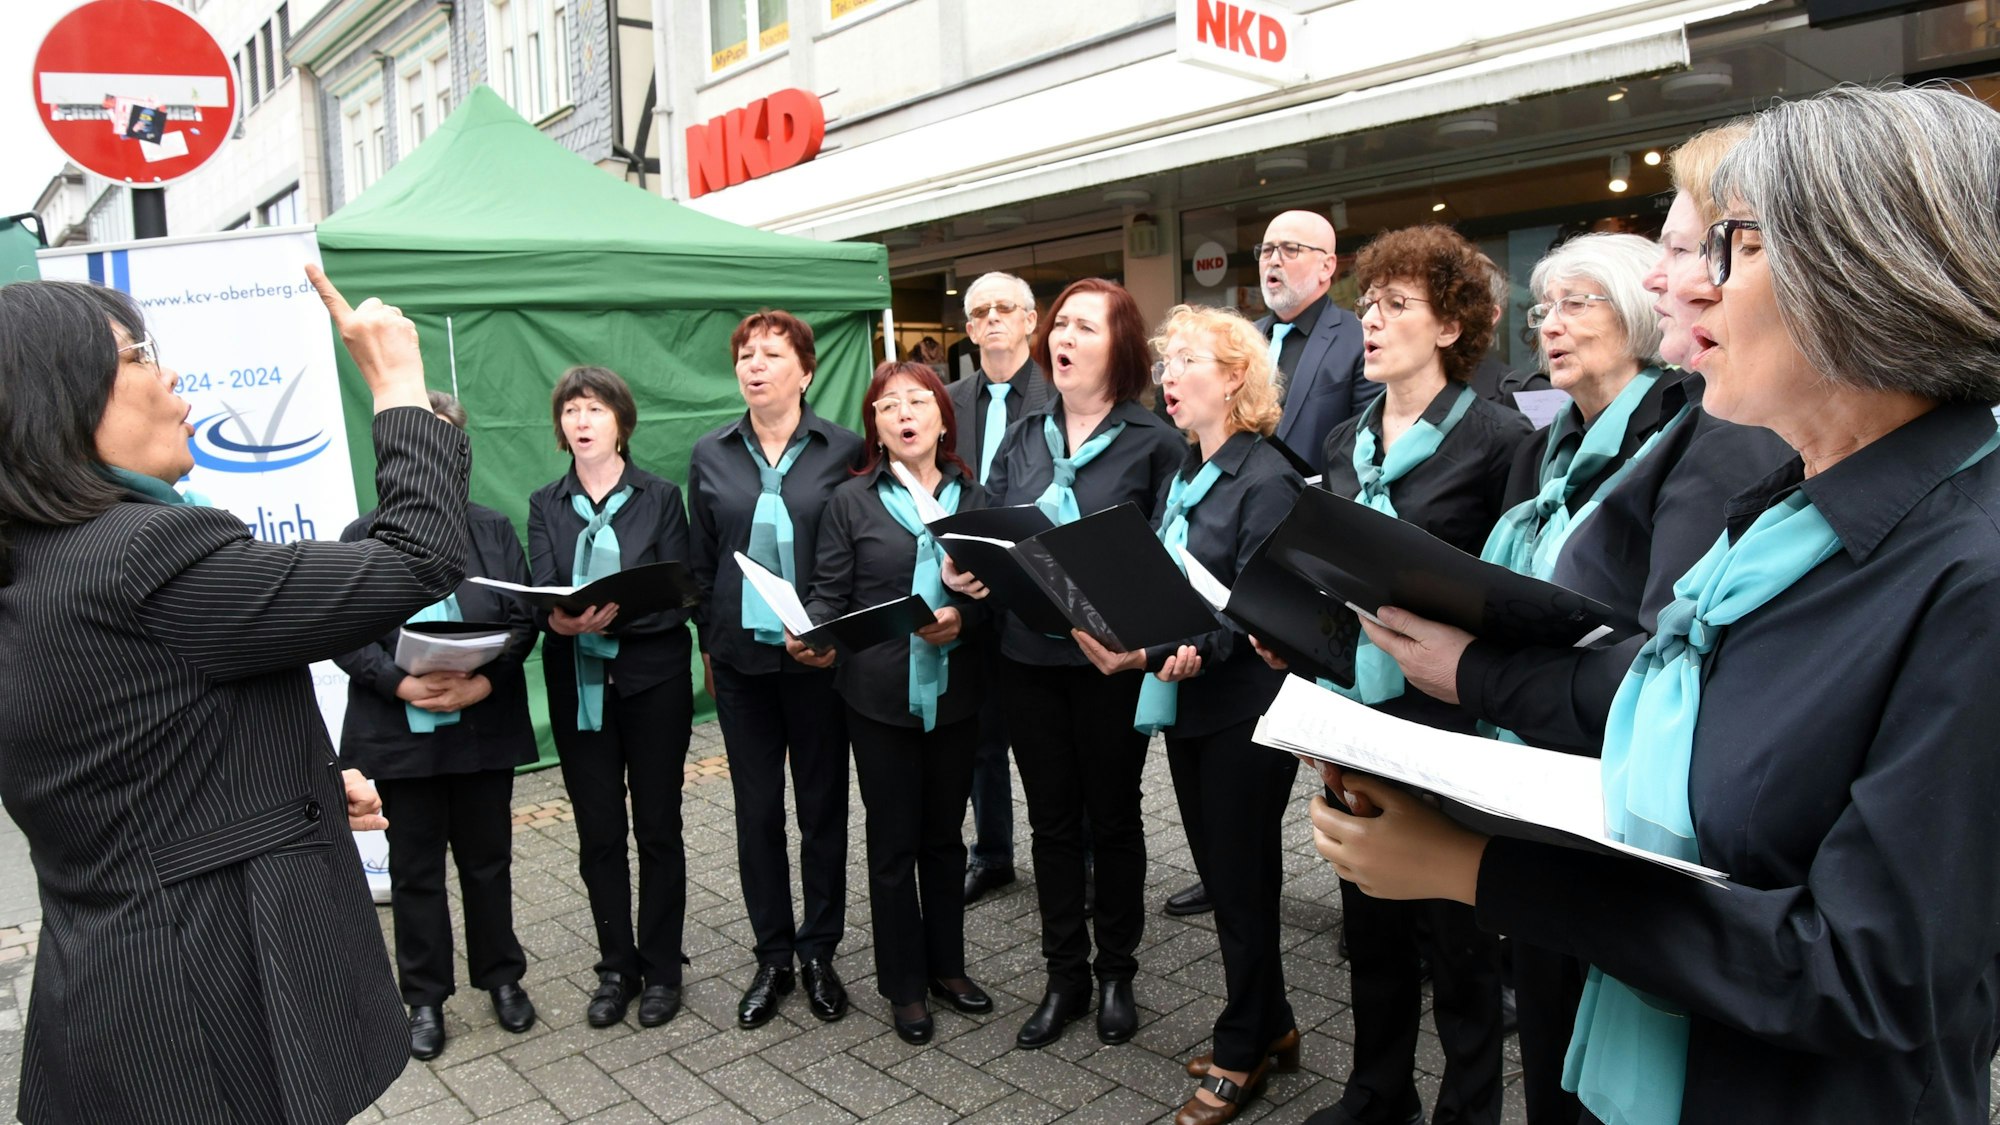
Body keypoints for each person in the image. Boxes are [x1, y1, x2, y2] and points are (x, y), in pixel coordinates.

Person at [1319, 85, 2000, 1125]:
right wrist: (1459, 718)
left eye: (1731, 247)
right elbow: (1675, 727)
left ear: (1866, 265)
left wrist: (1475, 870)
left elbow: (1860, 975)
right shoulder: (1789, 513)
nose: (1686, 293)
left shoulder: (1969, 577)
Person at [0, 267, 463, 1123]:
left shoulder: (35, 561)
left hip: (113, 992)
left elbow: (129, 759)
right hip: (204, 1001)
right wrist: (399, 388)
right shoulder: (143, 554)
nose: (169, 377)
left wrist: (307, 785)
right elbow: (415, 555)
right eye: (140, 355)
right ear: (63, 401)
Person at [1493, 128, 1790, 1125]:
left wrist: (1475, 671)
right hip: (1560, 785)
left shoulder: (1717, 431)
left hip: (1614, 818)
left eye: (1693, 246)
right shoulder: (1550, 447)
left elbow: (1670, 665)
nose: (1672, 277)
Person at [1280, 225, 1533, 1125]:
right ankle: (1377, 1091)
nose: (1371, 323)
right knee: (1370, 923)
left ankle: (1468, 1110)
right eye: (1368, 305)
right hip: (1354, 712)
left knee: (1459, 941)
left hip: (1446, 723)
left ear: (1453, 326)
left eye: (1396, 306)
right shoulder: (1348, 440)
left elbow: (1514, 595)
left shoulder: (1500, 441)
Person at [1074, 306, 1303, 1124]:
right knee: (1229, 875)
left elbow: (1254, 610)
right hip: (1190, 703)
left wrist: (1156, 651)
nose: (1169, 377)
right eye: (1167, 364)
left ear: (1236, 377)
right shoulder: (1189, 469)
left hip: (1242, 708)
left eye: (1189, 362)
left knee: (1242, 885)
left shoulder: (1265, 476)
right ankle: (1272, 1023)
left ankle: (1243, 1049)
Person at [945, 277, 1184, 1050]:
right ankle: (1064, 976)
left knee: (1111, 819)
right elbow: (982, 522)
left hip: (1111, 667)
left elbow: (1169, 561)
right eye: (1060, 326)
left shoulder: (1156, 442)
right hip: (1027, 657)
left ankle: (1117, 971)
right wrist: (963, 568)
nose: (1064, 339)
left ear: (1120, 344)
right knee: (1050, 822)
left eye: (1084, 326)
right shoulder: (1023, 434)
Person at [1168, 206, 1377, 920]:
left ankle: (1354, 911)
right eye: (1265, 248)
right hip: (1220, 599)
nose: (1272, 259)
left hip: (1296, 559)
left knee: (1264, 828)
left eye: (1291, 248)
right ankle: (1228, 884)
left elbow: (1358, 448)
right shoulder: (1246, 338)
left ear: (1328, 264)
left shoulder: (1354, 340)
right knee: (1227, 845)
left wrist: (1302, 503)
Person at [333, 390, 541, 1063]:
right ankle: (423, 999)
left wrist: (482, 678)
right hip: (398, 732)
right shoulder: (361, 538)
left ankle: (502, 978)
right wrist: (400, 681)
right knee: (415, 869)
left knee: (488, 862)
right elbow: (345, 631)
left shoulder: (492, 528)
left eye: (448, 440)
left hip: (482, 726)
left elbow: (523, 615)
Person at [798, 360, 994, 1046]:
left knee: (944, 838)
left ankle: (948, 967)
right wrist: (811, 631)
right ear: (875, 427)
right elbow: (830, 592)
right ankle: (903, 984)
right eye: (888, 406)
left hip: (954, 691)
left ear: (944, 418)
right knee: (892, 843)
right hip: (877, 694)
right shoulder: (850, 501)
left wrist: (962, 623)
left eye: (918, 402)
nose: (905, 413)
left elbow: (999, 600)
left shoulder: (977, 496)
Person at [687, 310, 860, 1029]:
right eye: (745, 356)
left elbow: (853, 547)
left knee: (821, 808)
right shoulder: (710, 453)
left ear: (806, 370)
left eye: (772, 354)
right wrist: (707, 640)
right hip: (740, 660)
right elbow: (701, 560)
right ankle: (773, 954)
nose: (755, 366)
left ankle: (820, 948)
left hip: (818, 660)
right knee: (757, 812)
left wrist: (825, 627)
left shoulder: (845, 449)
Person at [528, 365, 692, 1031]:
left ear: (620, 421)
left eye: (594, 409)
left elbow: (679, 591)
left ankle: (662, 968)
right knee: (600, 832)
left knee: (658, 825)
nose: (582, 421)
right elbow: (541, 583)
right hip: (578, 685)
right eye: (571, 411)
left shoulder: (661, 496)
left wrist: (615, 616)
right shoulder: (545, 502)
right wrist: (558, 621)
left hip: (653, 679)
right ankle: (616, 966)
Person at [945, 271, 1054, 908]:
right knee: (981, 733)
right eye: (980, 311)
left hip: (1037, 582)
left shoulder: (1054, 393)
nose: (992, 320)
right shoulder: (949, 398)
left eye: (1004, 309)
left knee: (1051, 732)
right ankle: (992, 853)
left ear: (1029, 320)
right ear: (967, 328)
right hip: (970, 585)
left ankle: (1082, 853)